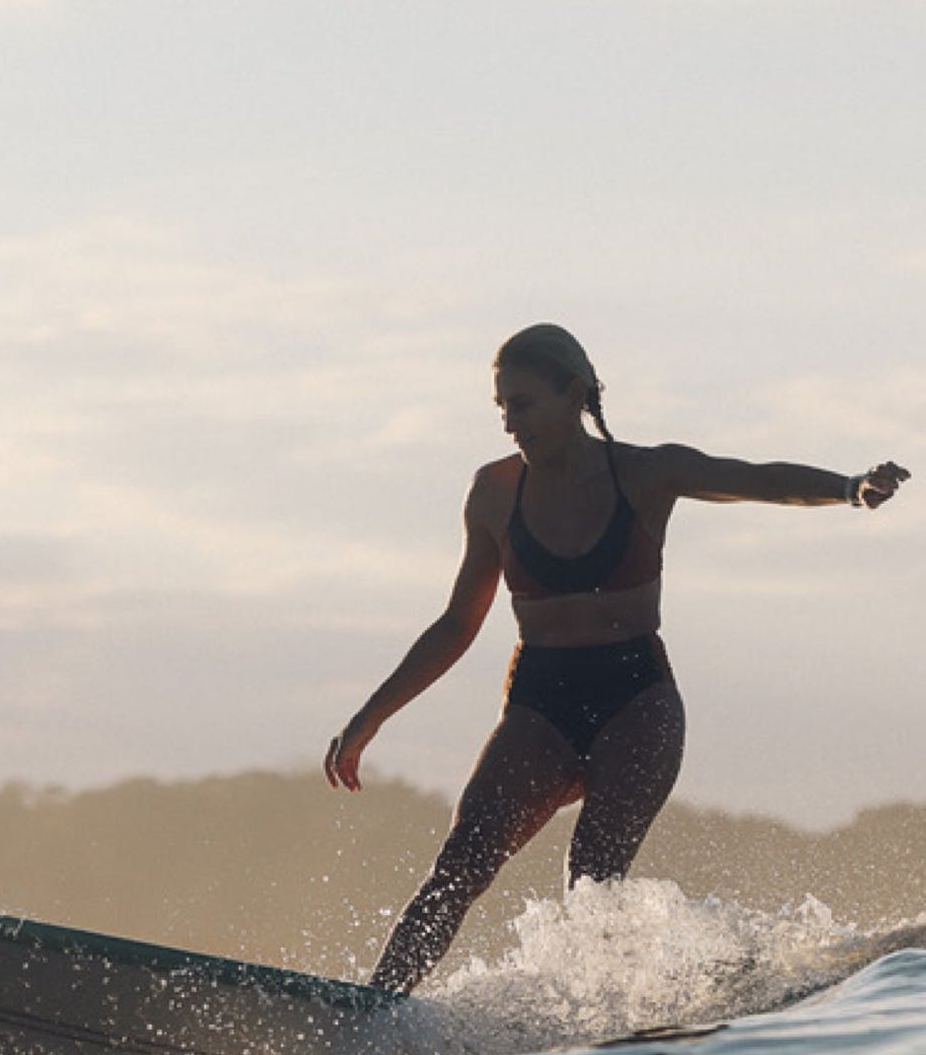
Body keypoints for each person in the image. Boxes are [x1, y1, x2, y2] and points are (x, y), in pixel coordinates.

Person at [324, 324, 911, 994]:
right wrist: (371, 717)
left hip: (635, 700)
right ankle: (371, 1015)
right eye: (502, 408)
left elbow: (754, 479)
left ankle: (605, 1020)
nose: (511, 423)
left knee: (591, 883)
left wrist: (848, 487)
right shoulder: (492, 493)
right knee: (459, 864)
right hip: (540, 702)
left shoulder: (643, 473)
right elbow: (459, 623)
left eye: (524, 403)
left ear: (573, 393)